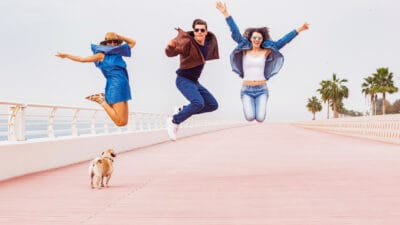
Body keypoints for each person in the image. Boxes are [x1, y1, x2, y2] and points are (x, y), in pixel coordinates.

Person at [216, 1, 309, 122]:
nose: (256, 40)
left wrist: (299, 29)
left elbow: (283, 41)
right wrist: (226, 13)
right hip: (246, 88)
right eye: (254, 37)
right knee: (250, 117)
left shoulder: (266, 51)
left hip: (262, 89)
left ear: (262, 39)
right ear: (250, 39)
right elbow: (235, 32)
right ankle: (247, 102)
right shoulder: (244, 49)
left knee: (260, 118)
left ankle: (258, 104)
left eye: (259, 38)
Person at [55, 32, 136, 127]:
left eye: (115, 42)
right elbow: (82, 59)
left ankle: (101, 99)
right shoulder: (101, 55)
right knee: (120, 122)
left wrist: (118, 36)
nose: (113, 44)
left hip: (124, 85)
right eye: (110, 42)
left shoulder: (118, 54)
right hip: (115, 85)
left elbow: (133, 42)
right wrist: (67, 55)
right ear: (106, 43)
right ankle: (101, 100)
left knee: (124, 122)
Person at [165, 19, 220, 141]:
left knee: (212, 105)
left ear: (206, 32)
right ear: (194, 31)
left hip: (195, 82)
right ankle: (174, 120)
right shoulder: (187, 44)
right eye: (197, 30)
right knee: (198, 103)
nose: (199, 32)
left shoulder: (208, 42)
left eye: (202, 30)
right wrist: (170, 47)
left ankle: (182, 111)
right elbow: (173, 51)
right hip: (183, 80)